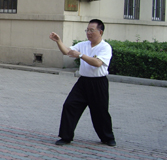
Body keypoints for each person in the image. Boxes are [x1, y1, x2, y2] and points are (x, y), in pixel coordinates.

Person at [49, 19, 116, 147]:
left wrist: (80, 55)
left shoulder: (105, 47)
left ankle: (107, 137)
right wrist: (59, 41)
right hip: (83, 82)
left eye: (92, 30)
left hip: (98, 83)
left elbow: (97, 63)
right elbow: (67, 51)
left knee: (100, 112)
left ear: (100, 32)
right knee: (70, 105)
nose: (89, 33)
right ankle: (66, 137)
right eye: (87, 30)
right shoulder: (83, 44)